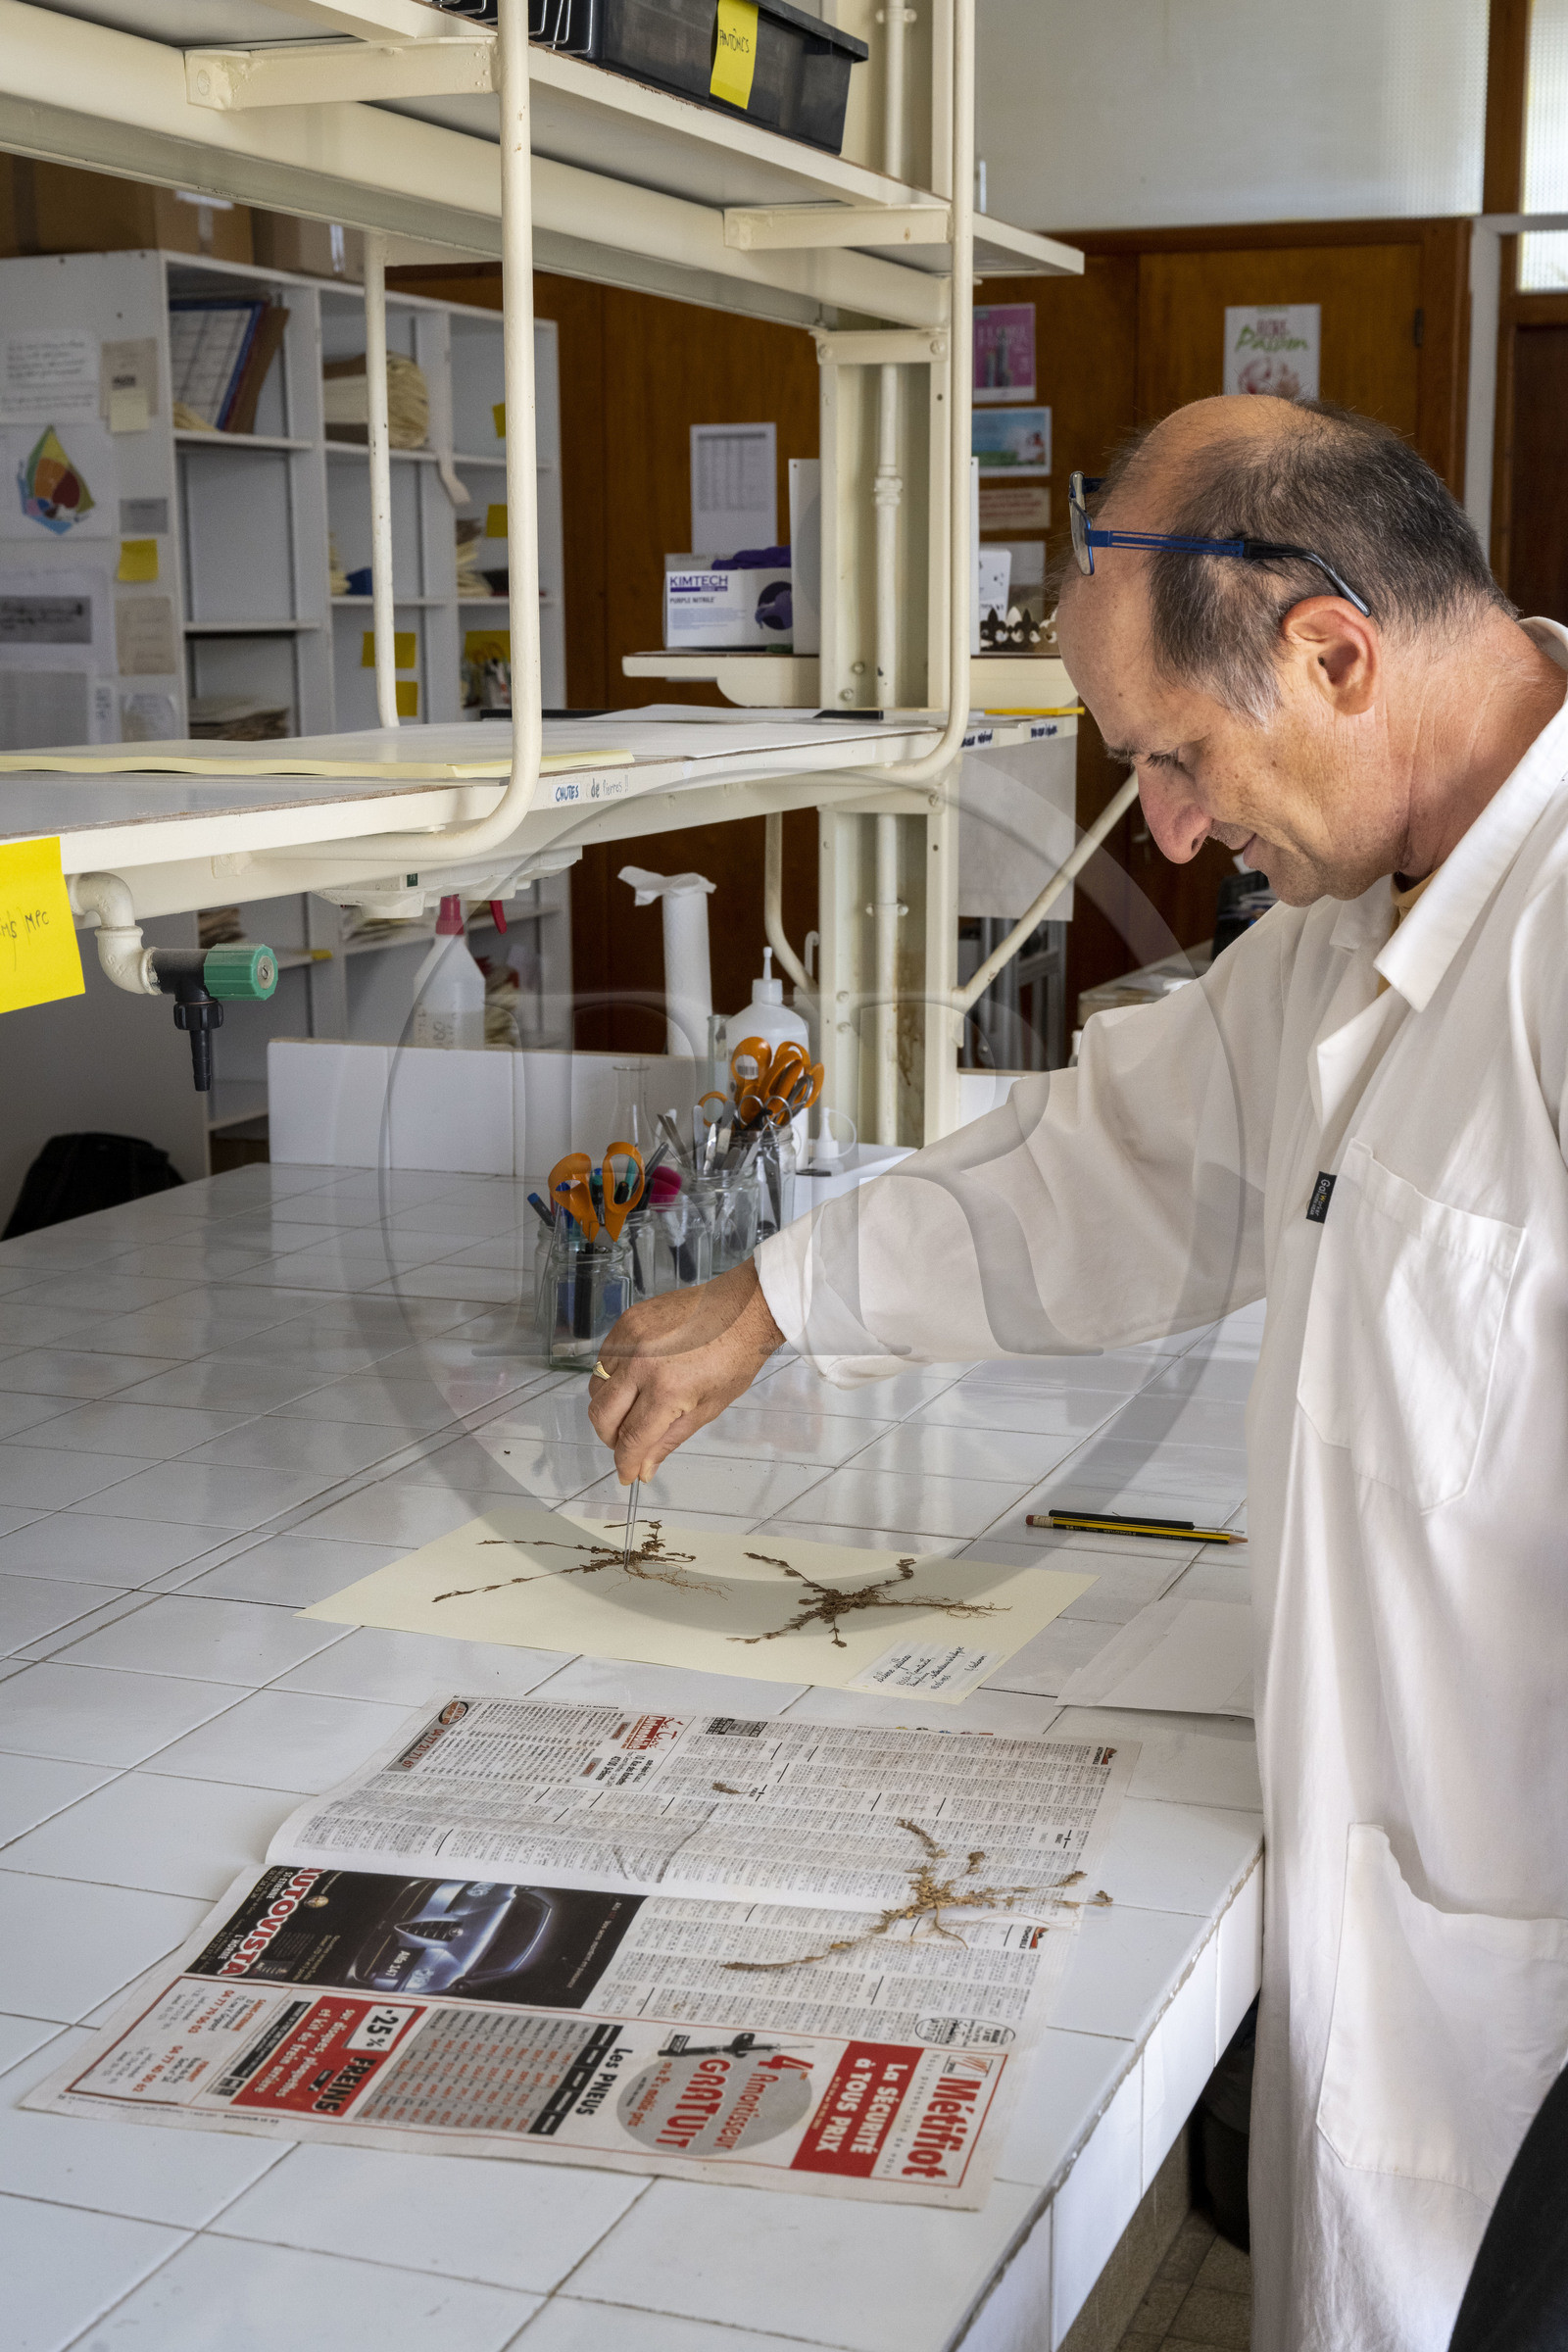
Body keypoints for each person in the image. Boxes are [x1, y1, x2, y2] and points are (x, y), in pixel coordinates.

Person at [587, 395, 1568, 2352]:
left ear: (1332, 652)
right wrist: (777, 1292)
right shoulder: (1359, 918)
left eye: (1175, 762)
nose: (1176, 830)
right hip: (1410, 1933)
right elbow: (1106, 1176)